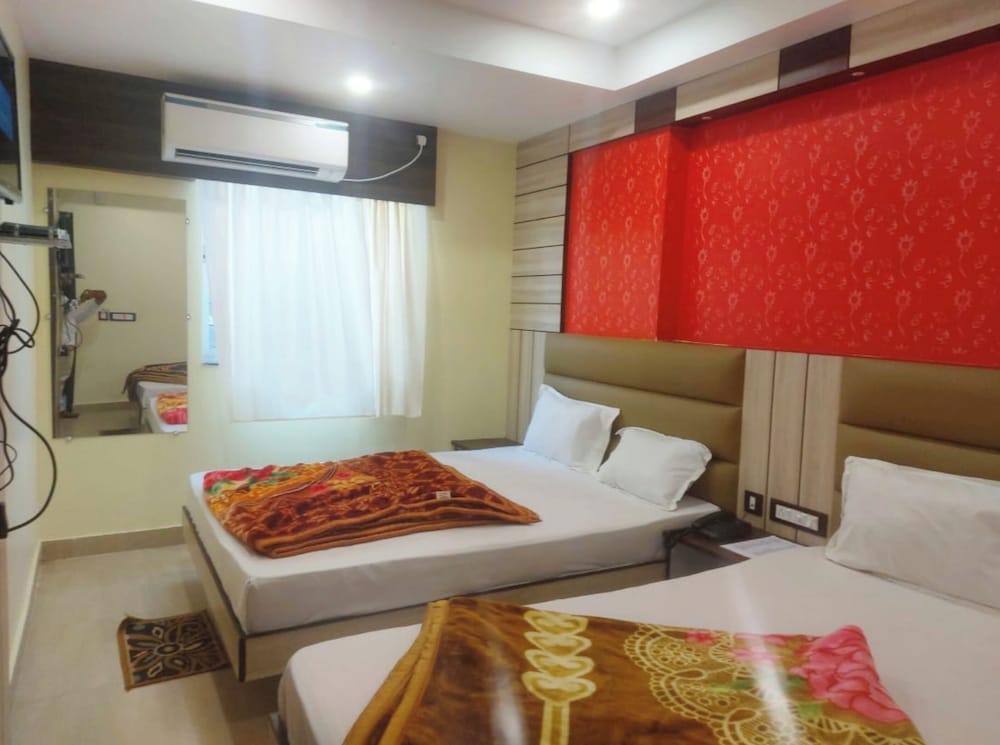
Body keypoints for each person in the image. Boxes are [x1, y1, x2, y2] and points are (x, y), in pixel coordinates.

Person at [58, 272, 107, 418]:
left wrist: (94, 297)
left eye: (69, 279)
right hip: (59, 347)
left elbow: (84, 309)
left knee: (62, 379)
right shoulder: (57, 303)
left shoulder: (69, 309)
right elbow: (64, 308)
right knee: (57, 380)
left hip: (67, 348)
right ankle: (56, 410)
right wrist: (80, 300)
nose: (69, 281)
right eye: (65, 278)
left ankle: (59, 409)